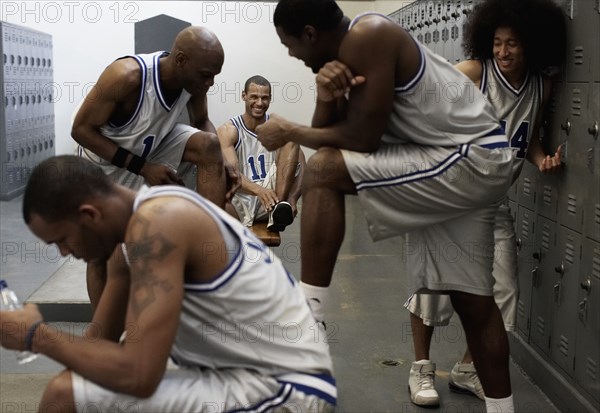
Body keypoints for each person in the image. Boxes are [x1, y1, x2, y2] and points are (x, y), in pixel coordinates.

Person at [257, 1, 515, 411]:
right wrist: (326, 94)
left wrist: (289, 128)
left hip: (468, 157)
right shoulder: (344, 59)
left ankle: (310, 321)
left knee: (322, 171)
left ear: (309, 34)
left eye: (289, 45)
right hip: (476, 164)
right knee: (473, 300)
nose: (291, 54)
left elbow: (361, 140)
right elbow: (330, 137)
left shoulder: (368, 34)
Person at [0, 155, 336, 413]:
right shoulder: (127, 244)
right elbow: (98, 344)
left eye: (62, 239)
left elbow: (139, 376)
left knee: (64, 396)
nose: (65, 252)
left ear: (89, 215)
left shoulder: (158, 223)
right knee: (84, 383)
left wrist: (36, 336)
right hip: (238, 374)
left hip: (288, 390)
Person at [404, 0, 566, 406]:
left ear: (531, 45)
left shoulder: (541, 87)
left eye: (513, 44)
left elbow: (525, 138)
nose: (504, 52)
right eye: (497, 43)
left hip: (493, 207)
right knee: (433, 291)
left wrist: (541, 158)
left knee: (505, 293)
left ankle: (466, 368)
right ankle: (420, 369)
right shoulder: (475, 73)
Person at [71, 26, 239, 309]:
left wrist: (224, 160)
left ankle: (207, 253)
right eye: (206, 74)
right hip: (104, 161)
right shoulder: (126, 76)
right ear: (182, 60)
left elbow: (203, 122)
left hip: (152, 145)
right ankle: (104, 336)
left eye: (214, 75)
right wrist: (143, 167)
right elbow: (80, 130)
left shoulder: (193, 83)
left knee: (211, 145)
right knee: (100, 253)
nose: (210, 82)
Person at [218, 75, 305, 232]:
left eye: (264, 98)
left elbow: (302, 164)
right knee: (218, 209)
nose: (259, 103)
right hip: (241, 197)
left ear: (270, 99)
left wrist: (293, 197)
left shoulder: (276, 126)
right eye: (254, 97)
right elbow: (233, 174)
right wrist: (259, 191)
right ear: (244, 96)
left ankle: (278, 210)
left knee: (290, 136)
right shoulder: (229, 130)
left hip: (273, 198)